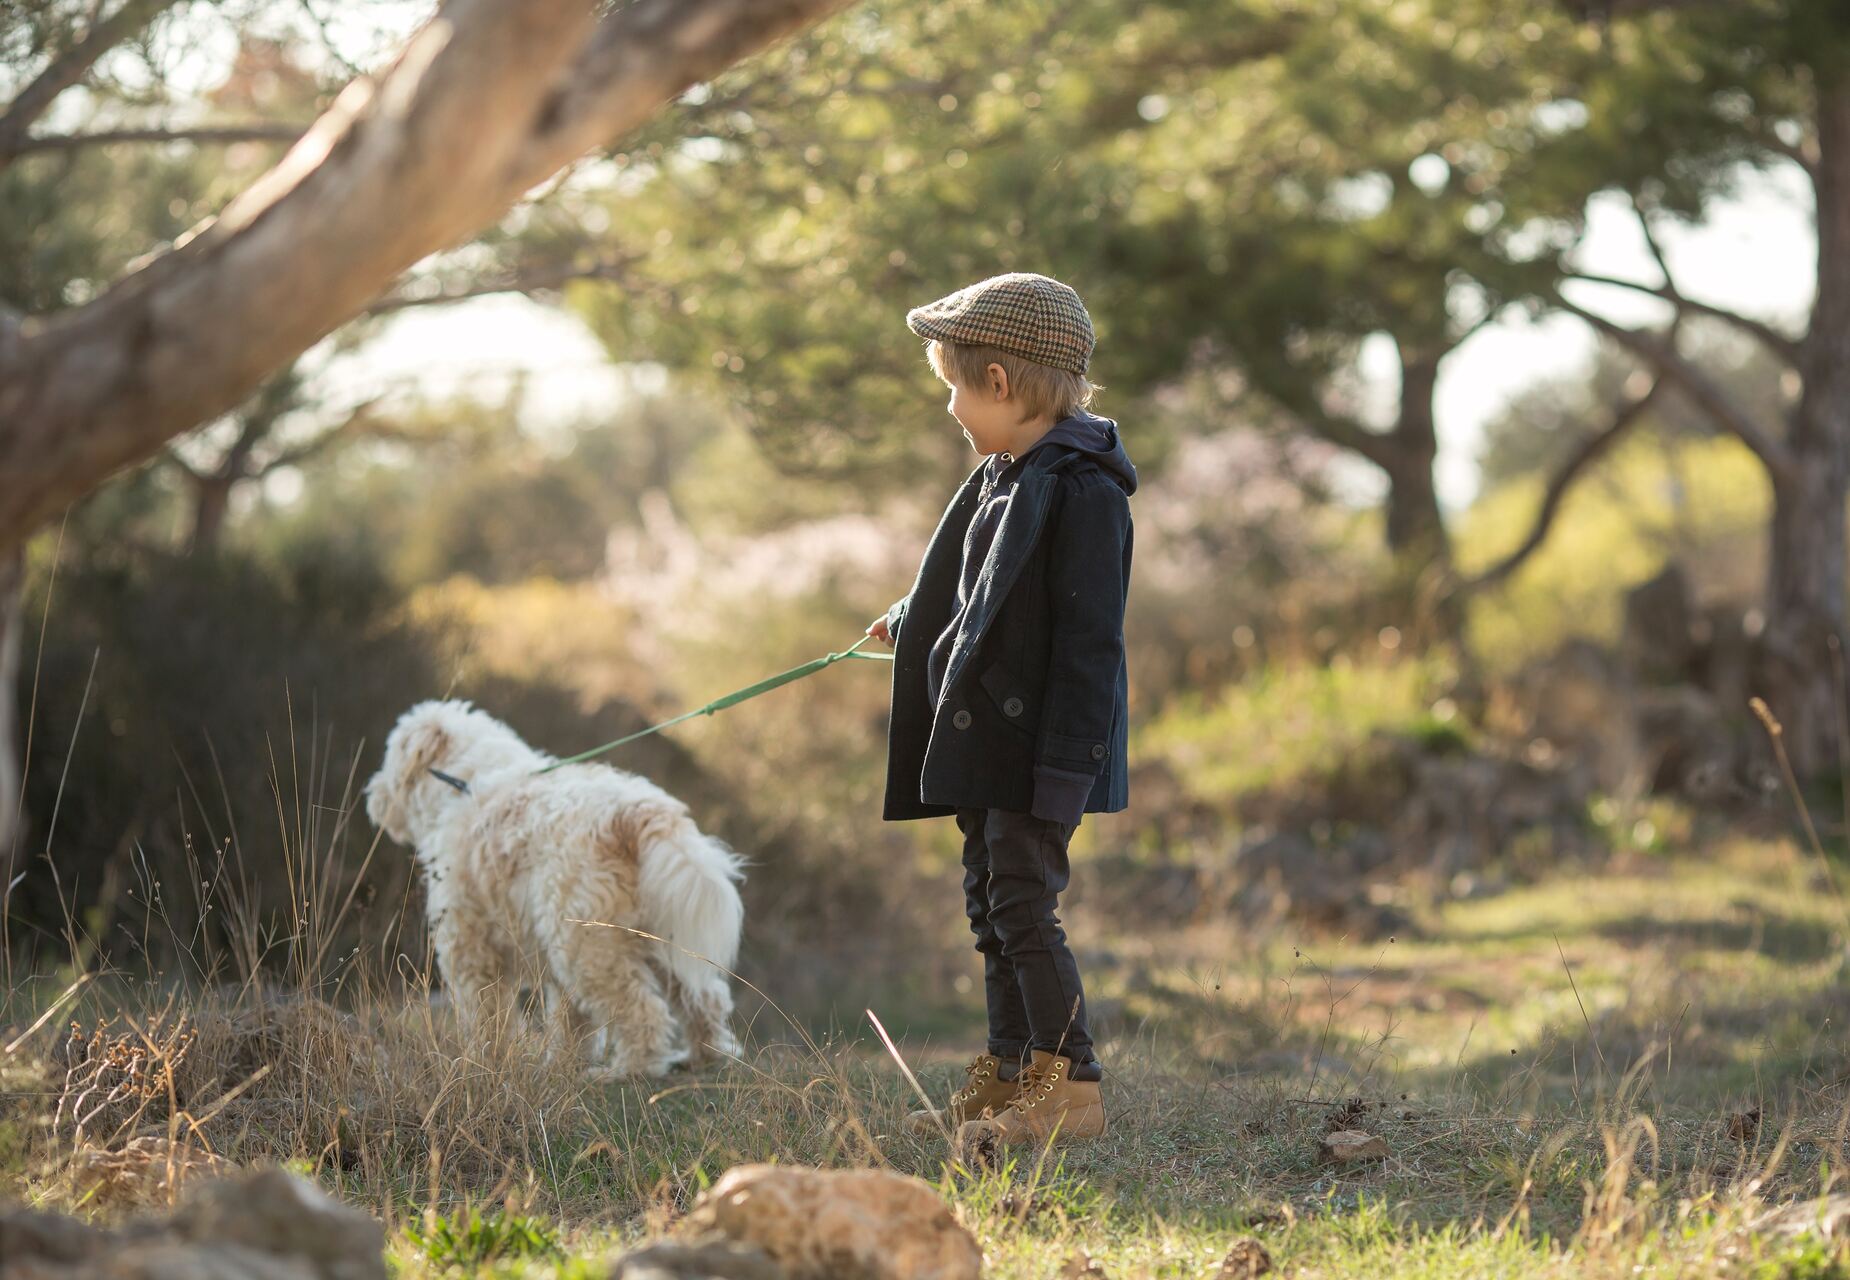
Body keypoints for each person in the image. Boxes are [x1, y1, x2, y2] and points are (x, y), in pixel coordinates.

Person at [867, 271, 1136, 1149]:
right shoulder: (1005, 476)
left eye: (952, 386)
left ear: (999, 382)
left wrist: (1066, 773)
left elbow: (1089, 648)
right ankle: (1008, 1081)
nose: (949, 408)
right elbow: (983, 591)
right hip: (986, 741)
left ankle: (1072, 1089)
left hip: (1038, 752)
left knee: (1025, 907)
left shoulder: (1084, 491)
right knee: (990, 907)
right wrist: (911, 619)